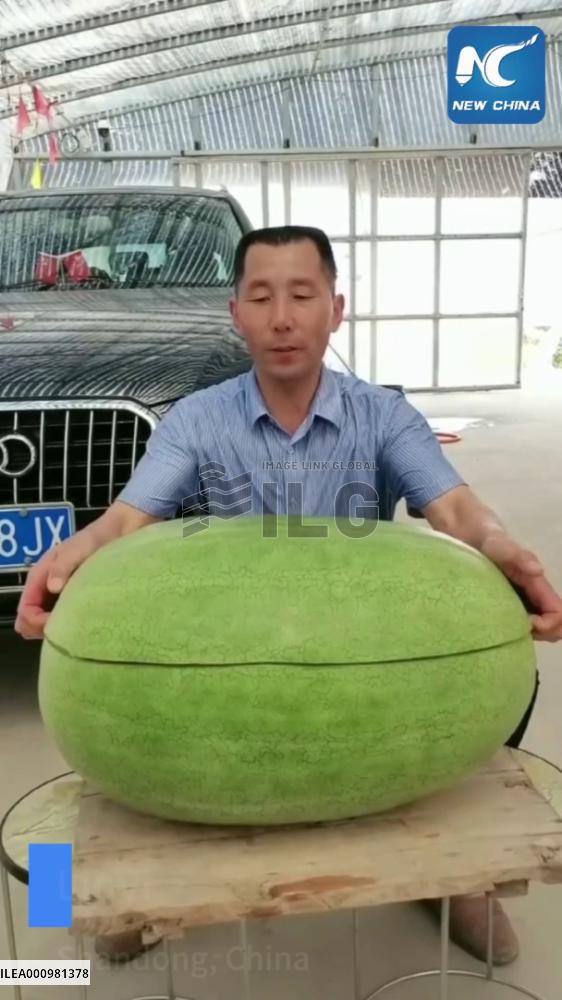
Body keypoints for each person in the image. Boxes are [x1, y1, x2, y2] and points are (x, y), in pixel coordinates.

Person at [16, 225, 562, 966]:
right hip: (227, 655)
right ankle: (128, 887)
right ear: (236, 312)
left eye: (302, 296)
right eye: (262, 297)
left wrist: (505, 548)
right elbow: (125, 520)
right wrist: (72, 553)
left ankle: (462, 881)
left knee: (507, 659)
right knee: (110, 709)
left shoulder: (384, 415)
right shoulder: (198, 419)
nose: (282, 318)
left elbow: (457, 510)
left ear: (335, 309)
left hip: (367, 656)